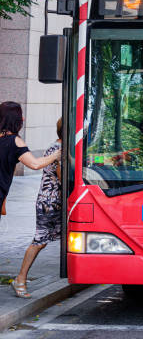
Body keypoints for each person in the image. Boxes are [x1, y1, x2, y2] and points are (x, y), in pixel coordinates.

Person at [0, 102, 60, 298]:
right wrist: (57, 155)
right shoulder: (14, 141)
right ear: (15, 119)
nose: (23, 119)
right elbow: (34, 164)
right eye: (21, 116)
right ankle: (20, 280)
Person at [13, 118, 63, 299]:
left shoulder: (60, 147)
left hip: (55, 201)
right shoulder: (58, 150)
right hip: (50, 202)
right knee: (40, 240)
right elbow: (61, 177)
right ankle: (20, 279)